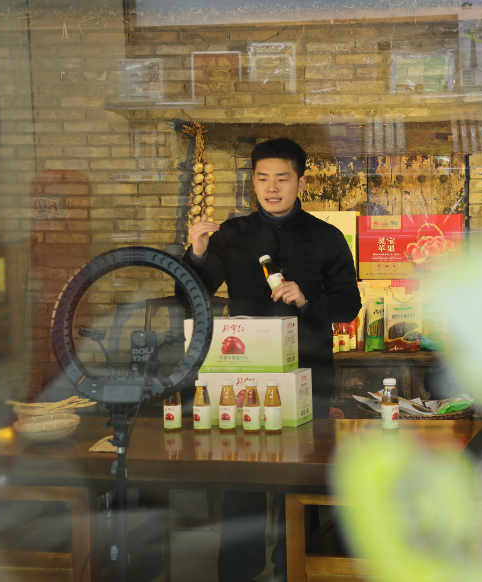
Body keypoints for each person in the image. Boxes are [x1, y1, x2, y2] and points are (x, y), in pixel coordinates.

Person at [176, 137, 361, 582]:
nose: (272, 188)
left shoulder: (326, 237)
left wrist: (307, 298)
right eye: (262, 179)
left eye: (282, 178)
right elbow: (192, 296)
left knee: (300, 479)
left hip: (309, 373)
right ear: (253, 183)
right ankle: (237, 573)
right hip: (244, 371)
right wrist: (196, 254)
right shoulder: (232, 234)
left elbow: (348, 304)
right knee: (242, 477)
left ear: (301, 182)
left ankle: (295, 570)